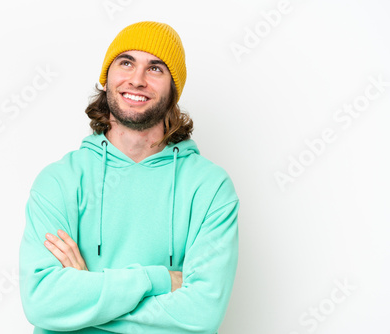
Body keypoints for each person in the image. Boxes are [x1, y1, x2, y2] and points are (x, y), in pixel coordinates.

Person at [19, 21, 239, 334]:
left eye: (155, 69)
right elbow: (42, 303)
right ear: (106, 79)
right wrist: (158, 279)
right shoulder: (59, 181)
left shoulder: (210, 188)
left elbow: (201, 314)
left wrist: (88, 294)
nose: (137, 80)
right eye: (126, 63)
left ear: (173, 89)